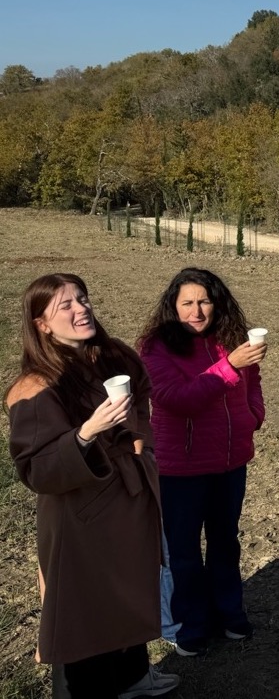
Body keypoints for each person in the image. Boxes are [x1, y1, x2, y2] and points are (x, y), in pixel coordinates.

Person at [5, 273, 179, 699]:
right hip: (80, 517)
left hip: (128, 498)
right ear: (41, 324)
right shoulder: (36, 388)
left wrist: (142, 444)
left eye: (82, 299)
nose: (81, 309)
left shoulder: (112, 355)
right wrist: (86, 433)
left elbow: (140, 396)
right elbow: (36, 470)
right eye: (65, 305)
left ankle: (134, 676)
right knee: (83, 613)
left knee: (130, 594)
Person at [138, 268, 266, 657]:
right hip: (183, 467)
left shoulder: (230, 339)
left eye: (204, 301)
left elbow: (253, 380)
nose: (197, 311)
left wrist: (252, 415)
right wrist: (230, 368)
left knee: (226, 541)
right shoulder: (156, 347)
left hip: (231, 461)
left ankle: (229, 612)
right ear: (173, 308)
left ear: (217, 303)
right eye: (187, 303)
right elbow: (176, 399)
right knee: (184, 550)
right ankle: (190, 624)